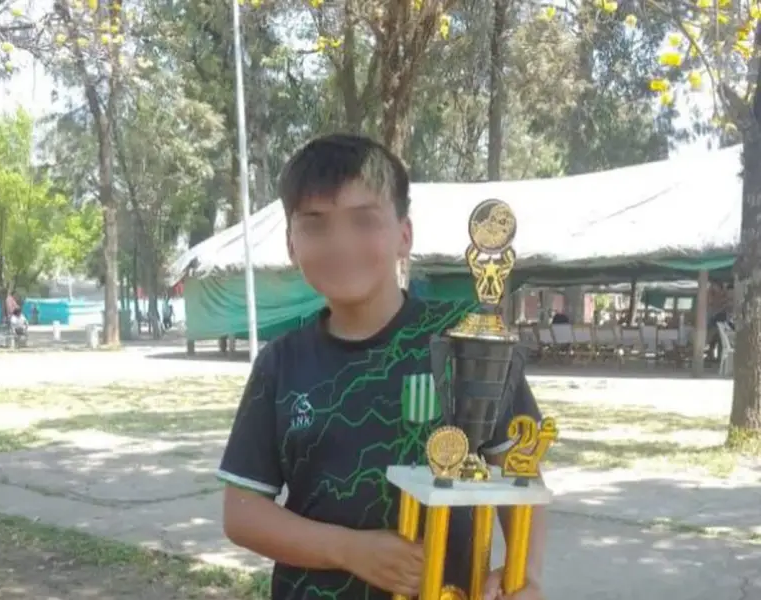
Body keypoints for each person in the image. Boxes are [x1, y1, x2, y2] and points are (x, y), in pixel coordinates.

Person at [219, 134, 545, 600]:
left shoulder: (466, 343)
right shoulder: (281, 363)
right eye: (315, 225)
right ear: (291, 244)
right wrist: (351, 550)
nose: (340, 243)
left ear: (403, 236)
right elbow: (243, 512)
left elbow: (520, 472)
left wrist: (524, 573)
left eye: (363, 220)